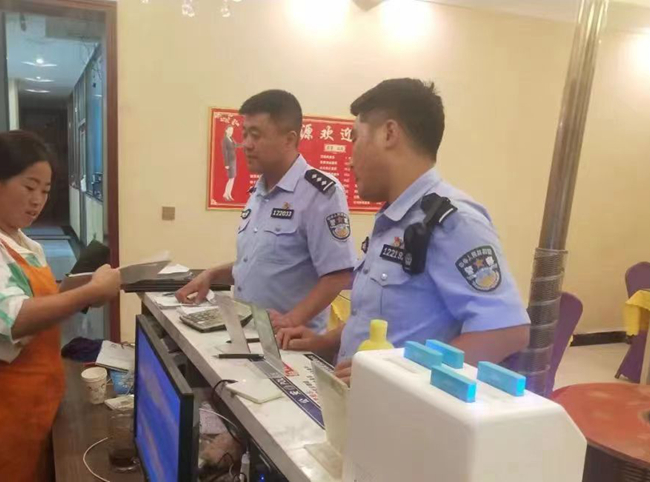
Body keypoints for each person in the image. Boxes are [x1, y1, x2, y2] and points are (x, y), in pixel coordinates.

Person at [277, 79, 530, 383]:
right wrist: (323, 342)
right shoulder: (394, 219)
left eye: (355, 139)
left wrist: (402, 377)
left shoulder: (453, 221)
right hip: (356, 397)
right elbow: (379, 320)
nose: (350, 159)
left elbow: (506, 331)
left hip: (400, 407)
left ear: (389, 134)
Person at [0, 131, 122, 481]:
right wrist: (87, 294)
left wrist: (83, 288)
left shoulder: (19, 240)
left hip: (34, 400)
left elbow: (36, 303)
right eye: (29, 187)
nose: (38, 201)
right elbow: (8, 320)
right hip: (1, 406)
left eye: (45, 190)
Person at [177, 90, 356, 333]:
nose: (246, 144)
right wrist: (212, 274)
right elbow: (259, 265)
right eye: (244, 134)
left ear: (289, 139)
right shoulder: (259, 191)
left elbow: (338, 274)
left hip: (289, 343)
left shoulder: (320, 193)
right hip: (247, 335)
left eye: (256, 135)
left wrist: (292, 319)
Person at [222, 125, 239, 201]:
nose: (231, 132)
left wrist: (244, 144)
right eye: (229, 130)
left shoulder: (231, 139)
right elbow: (224, 153)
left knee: (233, 178)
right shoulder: (225, 140)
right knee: (231, 178)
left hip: (233, 160)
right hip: (229, 161)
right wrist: (226, 164)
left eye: (232, 131)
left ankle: (228, 193)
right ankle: (226, 194)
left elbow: (236, 145)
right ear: (226, 130)